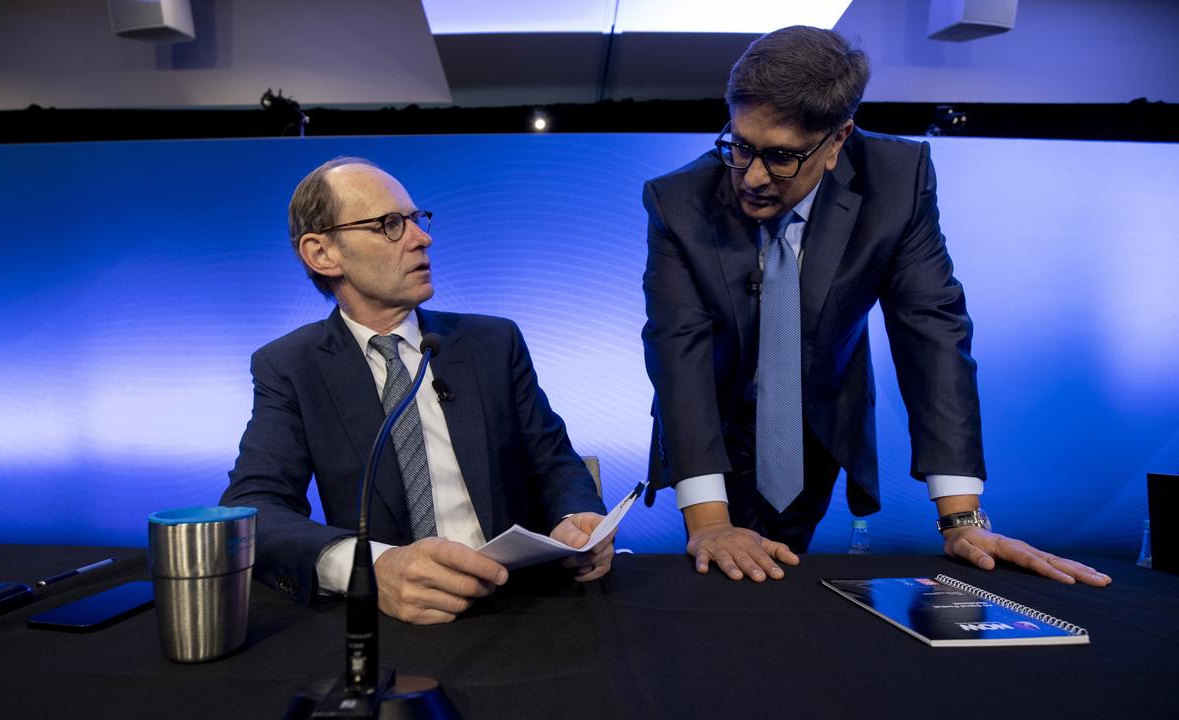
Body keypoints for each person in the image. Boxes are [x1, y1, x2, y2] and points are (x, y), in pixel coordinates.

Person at [641, 26, 1110, 587]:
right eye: (740, 145)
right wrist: (711, 522)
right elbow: (678, 348)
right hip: (711, 420)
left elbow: (931, 332)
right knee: (716, 572)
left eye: (782, 157)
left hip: (812, 426)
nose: (753, 176)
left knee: (782, 576)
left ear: (838, 140)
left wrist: (961, 520)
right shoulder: (678, 200)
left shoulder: (898, 181)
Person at [221, 157, 613, 625]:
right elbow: (253, 510)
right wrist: (368, 569)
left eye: (415, 219)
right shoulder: (290, 366)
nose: (421, 238)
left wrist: (578, 518)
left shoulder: (494, 342)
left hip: (522, 606)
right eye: (389, 224)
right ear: (322, 254)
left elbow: (554, 463)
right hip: (394, 623)